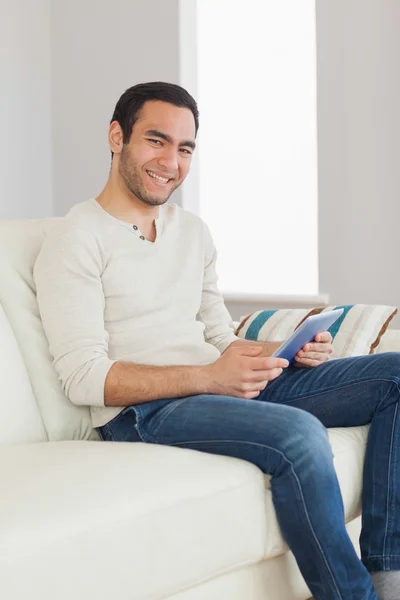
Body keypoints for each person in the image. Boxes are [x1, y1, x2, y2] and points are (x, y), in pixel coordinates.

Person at [34, 81, 400, 600]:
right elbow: (83, 377)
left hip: (216, 386)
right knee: (299, 437)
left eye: (185, 149)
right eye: (155, 141)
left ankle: (390, 573)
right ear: (117, 137)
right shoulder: (76, 238)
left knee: (396, 374)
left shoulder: (193, 232)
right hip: (144, 412)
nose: (171, 162)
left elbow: (217, 336)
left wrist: (283, 353)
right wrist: (209, 377)